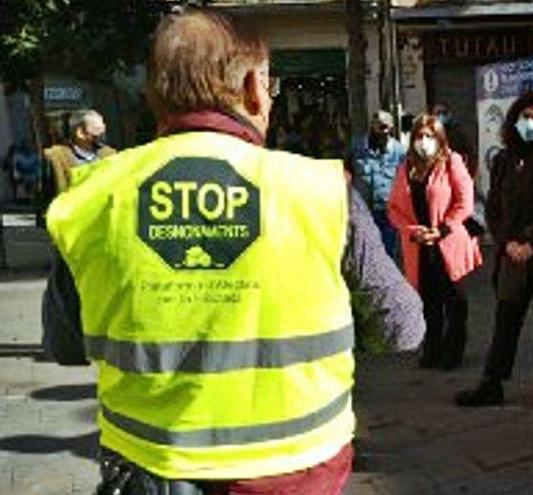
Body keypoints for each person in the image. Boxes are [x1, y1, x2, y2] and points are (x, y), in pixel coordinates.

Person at [41, 9, 424, 494]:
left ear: (154, 97)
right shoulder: (319, 191)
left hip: (150, 464)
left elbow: (64, 344)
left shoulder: (91, 196)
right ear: (252, 88)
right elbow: (402, 327)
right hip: (296, 467)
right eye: (271, 86)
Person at [455, 90, 533, 410]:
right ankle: (491, 383)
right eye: (526, 116)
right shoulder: (504, 159)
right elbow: (494, 208)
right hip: (512, 254)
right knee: (506, 318)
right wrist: (507, 241)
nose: (531, 123)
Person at [387, 114, 482, 370]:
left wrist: (441, 229)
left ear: (440, 139)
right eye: (419, 136)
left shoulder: (452, 162)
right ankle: (432, 349)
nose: (423, 141)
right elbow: (394, 208)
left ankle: (453, 353)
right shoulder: (406, 167)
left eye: (429, 136)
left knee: (455, 302)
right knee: (429, 302)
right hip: (419, 247)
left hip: (448, 243)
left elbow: (464, 202)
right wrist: (411, 230)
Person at [350, 110, 407, 258]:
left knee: (387, 252)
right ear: (372, 126)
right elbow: (347, 172)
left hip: (388, 210)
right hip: (364, 209)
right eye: (379, 127)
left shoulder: (399, 151)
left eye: (386, 127)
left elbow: (405, 179)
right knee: (366, 251)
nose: (383, 131)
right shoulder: (357, 147)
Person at [44, 109, 116, 195]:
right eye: (96, 127)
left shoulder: (110, 154)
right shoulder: (57, 156)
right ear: (80, 132)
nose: (102, 131)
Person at [430, 103, 476, 176]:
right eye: (438, 113)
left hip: (456, 170)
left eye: (444, 112)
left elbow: (470, 152)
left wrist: (469, 172)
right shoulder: (429, 133)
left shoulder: (457, 132)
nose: (441, 116)